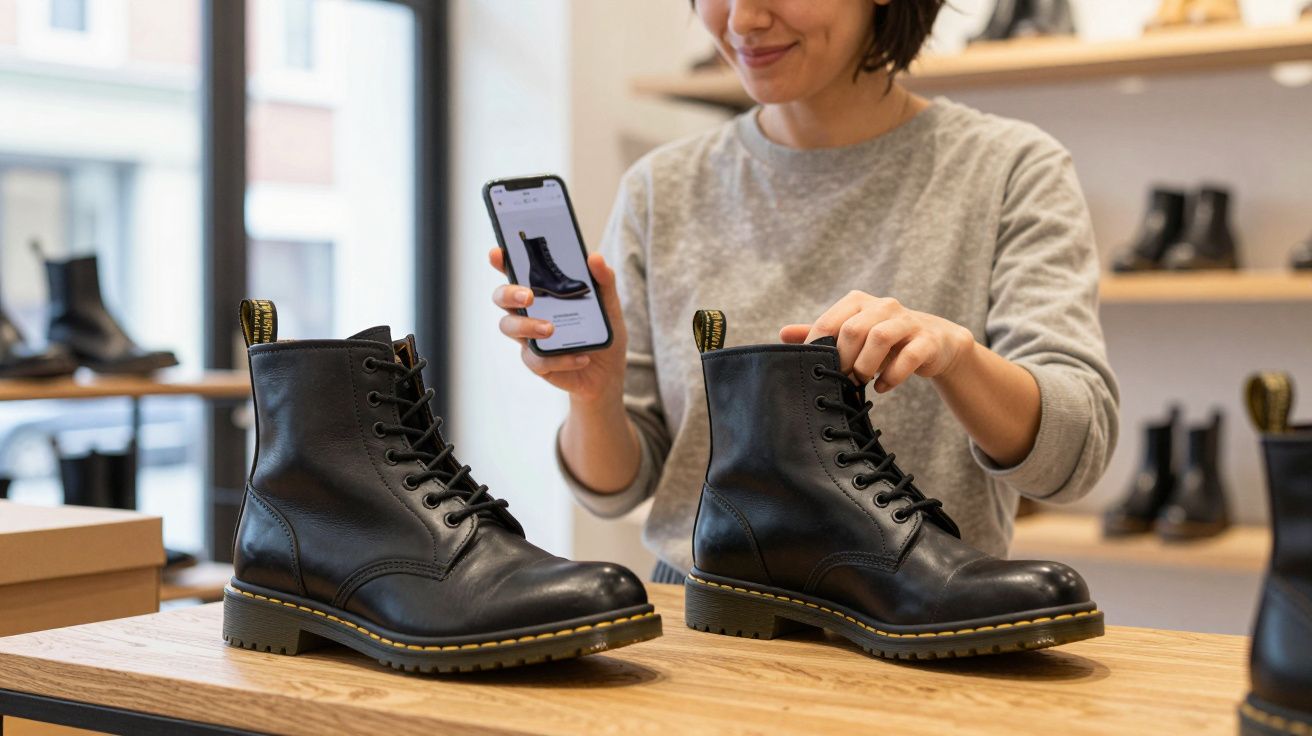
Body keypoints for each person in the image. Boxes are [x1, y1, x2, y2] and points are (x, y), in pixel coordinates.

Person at [489, 0, 1119, 583]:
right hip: (703, 615)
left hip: (922, 611)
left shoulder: (1010, 168)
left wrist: (957, 359)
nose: (742, 20)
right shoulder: (662, 188)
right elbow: (619, 487)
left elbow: (1071, 458)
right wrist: (595, 397)